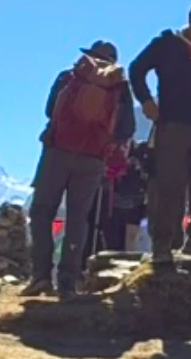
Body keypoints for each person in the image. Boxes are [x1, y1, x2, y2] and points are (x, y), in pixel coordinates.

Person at [24, 41, 135, 298]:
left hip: (57, 152)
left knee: (42, 213)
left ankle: (41, 275)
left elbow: (50, 109)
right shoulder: (120, 88)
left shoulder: (69, 76)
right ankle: (68, 281)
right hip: (93, 159)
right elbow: (126, 128)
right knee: (78, 218)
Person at [131, 2, 191, 265]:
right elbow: (136, 70)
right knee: (169, 185)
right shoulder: (167, 44)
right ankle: (163, 244)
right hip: (172, 125)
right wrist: (147, 102)